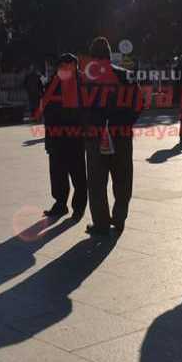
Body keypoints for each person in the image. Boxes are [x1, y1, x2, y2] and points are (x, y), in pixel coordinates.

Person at [82, 37, 143, 236]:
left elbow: (76, 108)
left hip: (95, 136)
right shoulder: (126, 76)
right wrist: (126, 123)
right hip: (121, 135)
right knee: (123, 178)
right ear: (109, 54)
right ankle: (119, 218)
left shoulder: (85, 79)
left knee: (97, 183)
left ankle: (100, 224)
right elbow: (139, 104)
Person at [41, 53, 87, 220]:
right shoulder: (54, 81)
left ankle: (78, 208)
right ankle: (60, 204)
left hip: (75, 136)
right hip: (57, 136)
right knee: (58, 173)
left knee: (78, 173)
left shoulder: (82, 82)